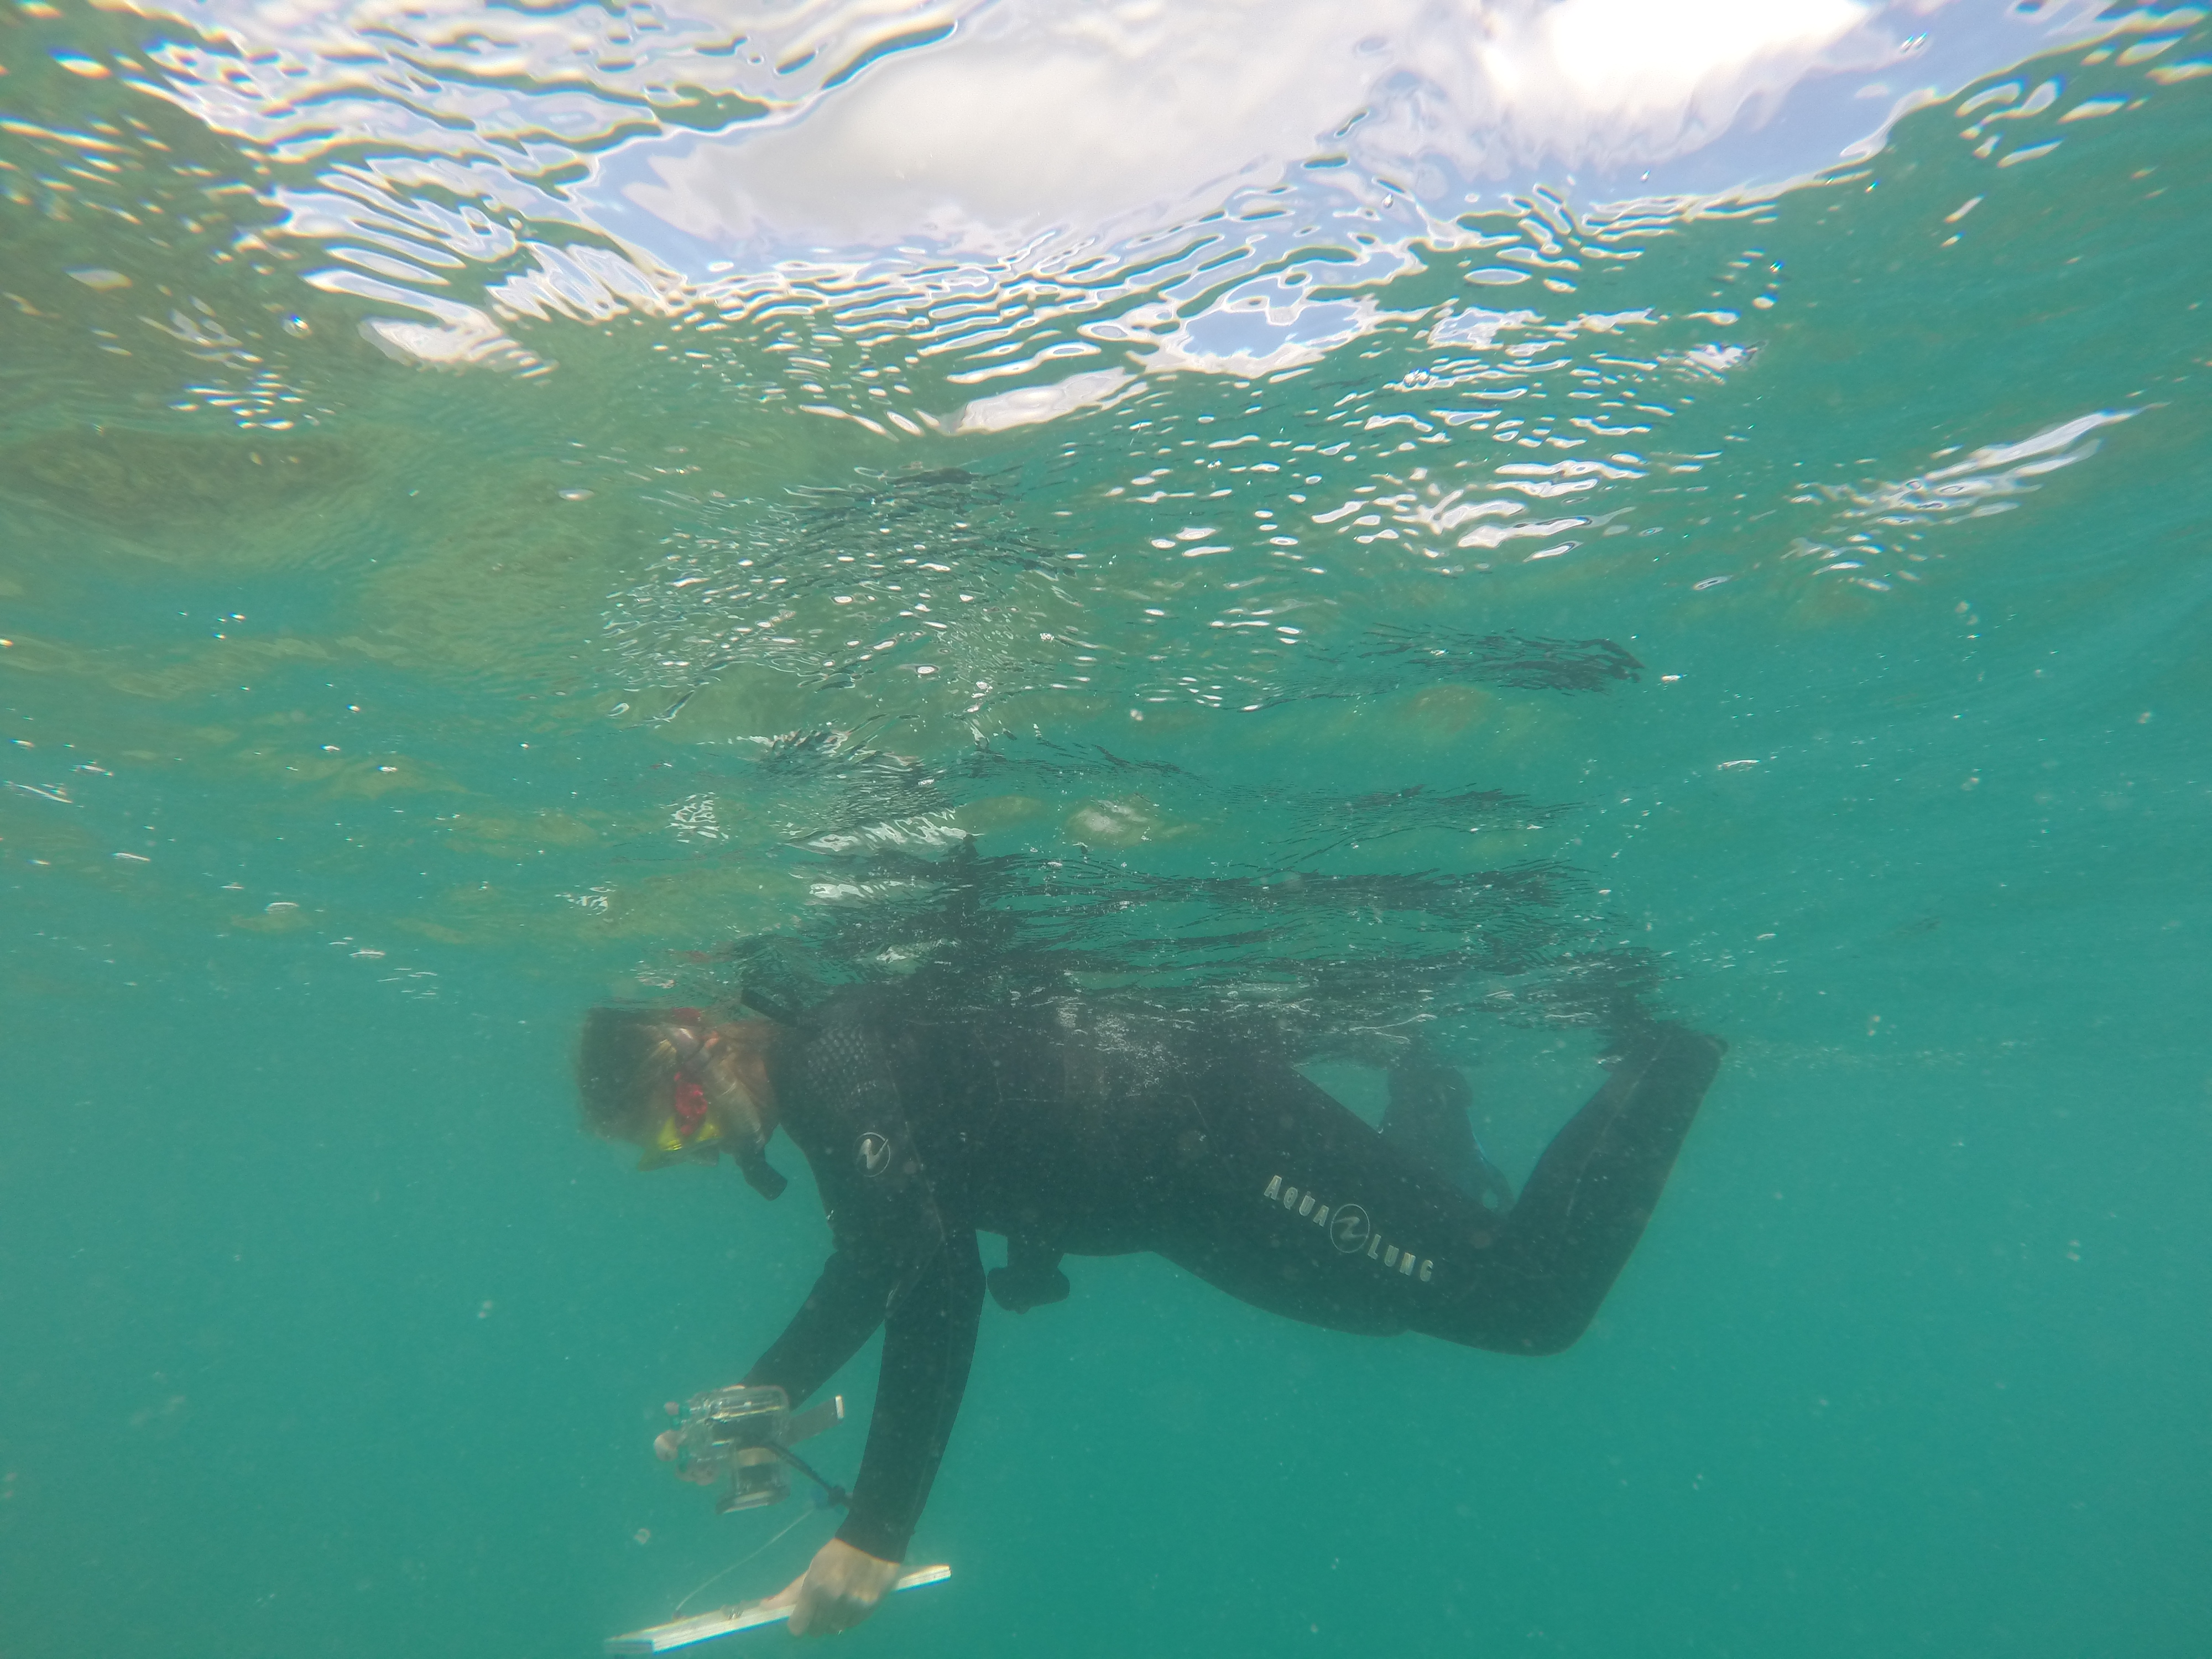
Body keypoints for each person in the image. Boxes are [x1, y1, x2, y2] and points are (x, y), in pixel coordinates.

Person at [575, 980, 1723, 1636]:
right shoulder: (832, 1091)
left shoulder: (829, 1066)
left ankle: (1679, 1046)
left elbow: (930, 1276)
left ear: (704, 1049)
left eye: (678, 1122)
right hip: (1191, 1199)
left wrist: (874, 1530)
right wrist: (769, 1392)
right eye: (664, 1150)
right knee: (1395, 1302)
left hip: (1214, 1148)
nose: (693, 1149)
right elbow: (883, 1257)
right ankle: (1428, 1085)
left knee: (1525, 1305)